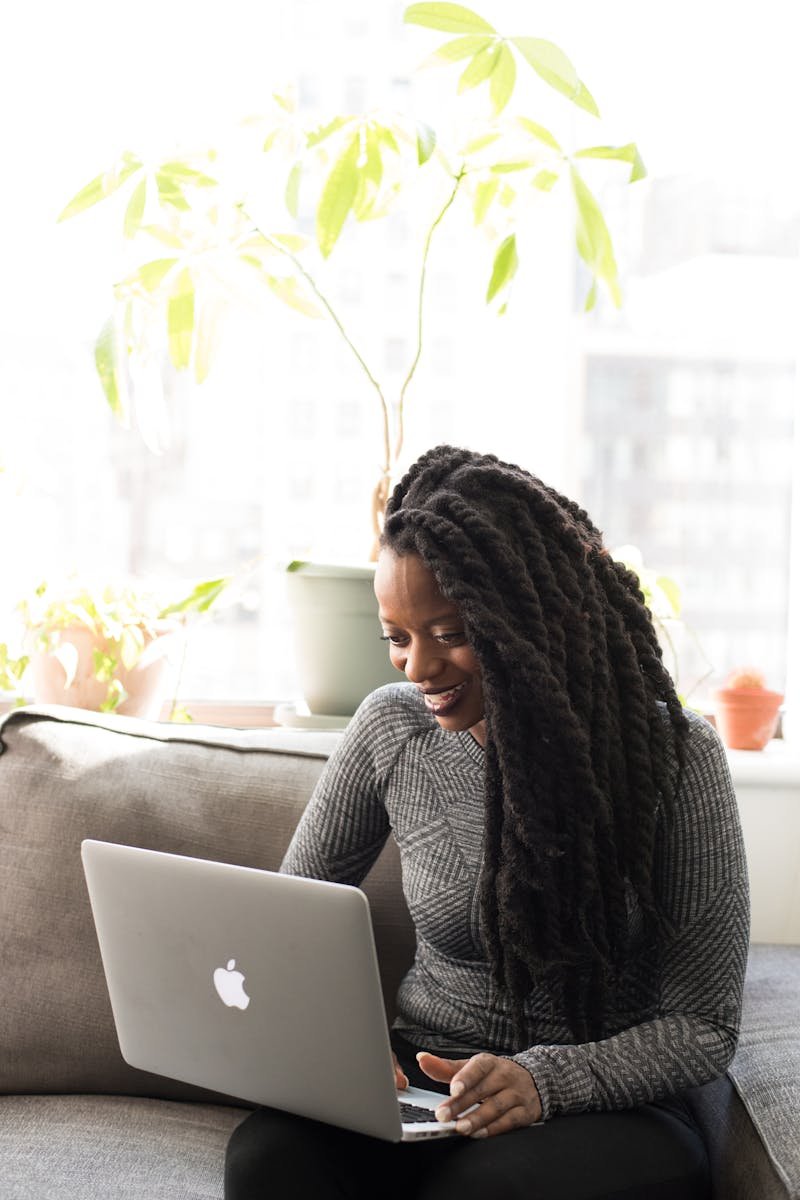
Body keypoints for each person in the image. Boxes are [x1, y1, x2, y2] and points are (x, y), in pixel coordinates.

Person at [226, 445, 749, 1200]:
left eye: (449, 633)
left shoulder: (675, 758)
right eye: (397, 638)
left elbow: (704, 1024)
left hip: (601, 1102)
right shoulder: (390, 732)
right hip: (426, 1077)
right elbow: (283, 922)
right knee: (268, 1164)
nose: (416, 668)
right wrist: (339, 1050)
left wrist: (543, 1081)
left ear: (530, 619)